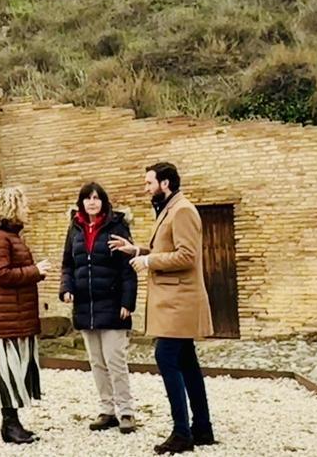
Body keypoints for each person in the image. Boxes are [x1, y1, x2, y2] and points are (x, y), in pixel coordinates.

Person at [110, 162, 215, 454]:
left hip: (179, 300)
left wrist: (148, 262)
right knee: (187, 363)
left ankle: (182, 433)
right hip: (174, 301)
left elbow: (186, 256)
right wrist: (138, 250)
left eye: (149, 183)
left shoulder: (182, 211)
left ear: (165, 183)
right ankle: (202, 428)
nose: (146, 189)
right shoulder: (170, 209)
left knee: (165, 356)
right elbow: (167, 248)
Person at [59, 181, 138, 434]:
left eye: (96, 198)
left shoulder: (117, 226)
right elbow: (68, 265)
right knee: (96, 361)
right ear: (81, 202)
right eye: (87, 198)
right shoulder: (75, 229)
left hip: (113, 305)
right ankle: (107, 410)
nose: (92, 202)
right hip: (86, 306)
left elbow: (128, 267)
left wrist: (128, 302)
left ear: (103, 201)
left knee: (116, 360)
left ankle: (126, 412)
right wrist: (66, 288)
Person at [0, 185, 50, 445]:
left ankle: (13, 423)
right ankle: (9, 425)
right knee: (9, 371)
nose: (28, 210)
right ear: (12, 208)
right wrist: (35, 271)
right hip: (8, 318)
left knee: (18, 369)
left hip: (18, 316)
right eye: (24, 205)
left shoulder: (11, 238)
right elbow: (1, 274)